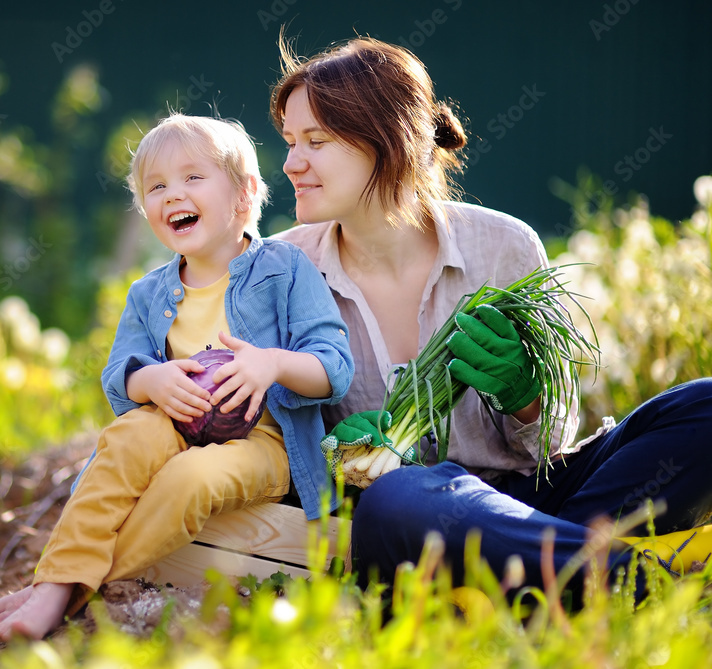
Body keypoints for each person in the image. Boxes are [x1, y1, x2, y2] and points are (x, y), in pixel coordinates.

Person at [269, 35, 712, 604]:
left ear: (387, 141)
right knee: (399, 493)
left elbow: (550, 443)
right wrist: (334, 455)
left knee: (702, 406)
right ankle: (633, 580)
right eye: (289, 142)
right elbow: (270, 438)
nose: (291, 163)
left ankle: (535, 571)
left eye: (315, 141)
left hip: (530, 499)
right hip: (408, 519)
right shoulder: (281, 270)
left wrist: (525, 394)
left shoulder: (503, 246)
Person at [0, 113, 354, 639]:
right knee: (127, 436)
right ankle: (60, 585)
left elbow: (334, 368)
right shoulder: (147, 293)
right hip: (175, 425)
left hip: (268, 441)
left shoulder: (285, 269)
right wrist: (150, 381)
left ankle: (60, 587)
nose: (172, 194)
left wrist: (271, 364)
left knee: (189, 479)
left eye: (192, 178)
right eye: (156, 187)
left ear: (244, 194)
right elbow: (120, 378)